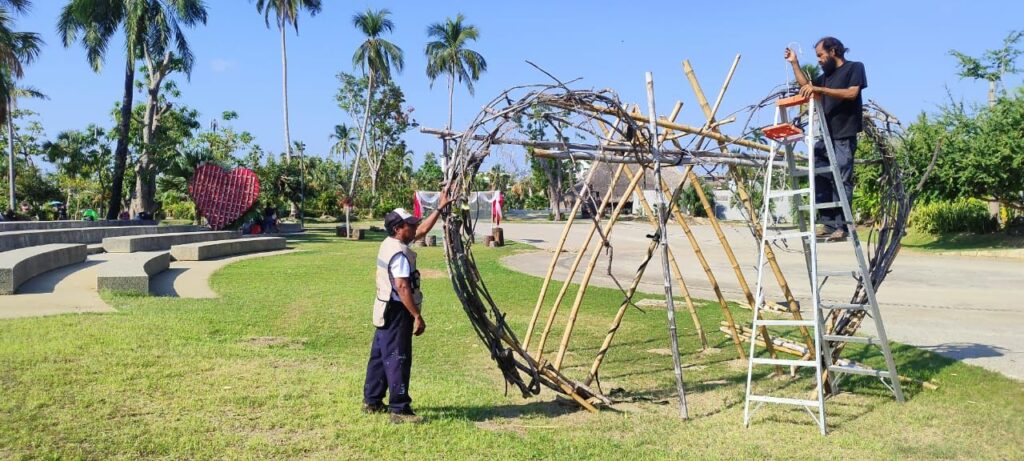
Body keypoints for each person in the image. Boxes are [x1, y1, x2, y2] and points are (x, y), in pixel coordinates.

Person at [363, 190, 452, 424]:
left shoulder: (389, 243)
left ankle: (372, 401)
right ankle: (400, 409)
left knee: (380, 355)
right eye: (409, 225)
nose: (414, 227)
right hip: (397, 311)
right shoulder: (400, 255)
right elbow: (403, 287)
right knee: (398, 357)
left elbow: (422, 231)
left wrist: (439, 209)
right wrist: (416, 316)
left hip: (382, 308)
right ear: (397, 229)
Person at [785, 36, 867, 240]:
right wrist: (794, 63)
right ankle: (829, 224)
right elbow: (806, 86)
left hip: (844, 135)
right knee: (819, 174)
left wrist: (819, 89)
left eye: (821, 55)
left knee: (842, 178)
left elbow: (851, 94)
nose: (819, 60)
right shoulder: (826, 77)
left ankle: (843, 226)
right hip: (826, 136)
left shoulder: (855, 68)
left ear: (833, 51)